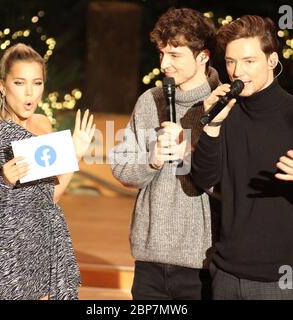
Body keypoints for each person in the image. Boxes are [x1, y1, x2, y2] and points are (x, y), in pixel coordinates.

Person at [191, 15, 293, 300]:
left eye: (248, 61)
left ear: (271, 61)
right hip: (227, 274)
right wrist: (211, 127)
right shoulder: (225, 112)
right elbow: (203, 178)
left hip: (280, 278)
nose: (237, 71)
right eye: (231, 62)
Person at [0, 43, 95, 300]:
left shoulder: (43, 124)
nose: (30, 92)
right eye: (20, 83)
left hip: (48, 248)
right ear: (3, 86)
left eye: (37, 83)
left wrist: (76, 154)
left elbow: (50, 198)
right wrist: (3, 179)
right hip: (4, 260)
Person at [109, 8, 220, 300]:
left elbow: (229, 183)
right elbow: (121, 168)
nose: (164, 64)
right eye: (161, 53)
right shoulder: (151, 100)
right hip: (150, 260)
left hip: (203, 263)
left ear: (203, 56)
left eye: (175, 55)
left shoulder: (223, 102)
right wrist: (152, 159)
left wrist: (189, 153)